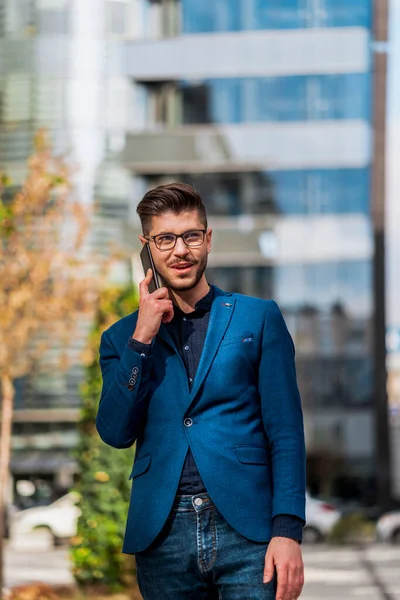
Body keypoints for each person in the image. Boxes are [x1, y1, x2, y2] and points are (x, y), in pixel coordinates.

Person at [96, 183, 306, 600]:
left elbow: (285, 433)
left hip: (248, 531)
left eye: (191, 236)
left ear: (208, 240)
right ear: (147, 248)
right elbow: (115, 432)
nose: (180, 250)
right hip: (163, 534)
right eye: (165, 239)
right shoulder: (122, 338)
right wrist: (142, 338)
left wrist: (287, 531)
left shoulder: (258, 319)